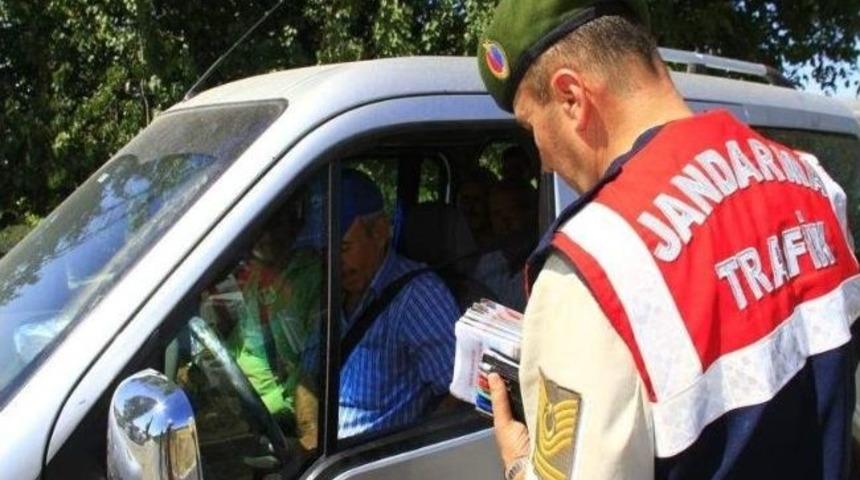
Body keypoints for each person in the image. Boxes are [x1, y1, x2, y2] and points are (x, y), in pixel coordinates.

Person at [477, 1, 860, 479]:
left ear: (572, 97)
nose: (545, 161)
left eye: (532, 128)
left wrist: (518, 463)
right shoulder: (813, 182)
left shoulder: (596, 265)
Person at [338, 168, 461, 438]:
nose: (333, 261)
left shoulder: (417, 296)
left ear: (380, 232)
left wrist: (410, 458)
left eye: (344, 248)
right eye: (325, 249)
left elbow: (459, 394)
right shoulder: (328, 293)